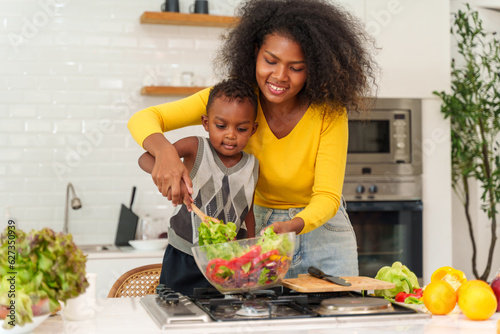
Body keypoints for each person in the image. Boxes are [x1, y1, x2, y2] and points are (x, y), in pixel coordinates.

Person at [128, 0, 377, 279]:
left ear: (315, 68)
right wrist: (165, 154)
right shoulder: (234, 103)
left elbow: (328, 196)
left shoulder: (329, 112)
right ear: (254, 51)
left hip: (322, 233)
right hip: (256, 230)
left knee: (336, 320)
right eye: (271, 61)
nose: (280, 76)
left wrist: (294, 225)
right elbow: (144, 118)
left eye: (296, 68)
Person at [137, 78, 259, 295]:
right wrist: (172, 178)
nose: (230, 134)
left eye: (241, 128)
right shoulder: (195, 146)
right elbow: (145, 160)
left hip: (229, 263)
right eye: (221, 126)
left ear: (253, 129)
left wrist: (250, 249)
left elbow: (248, 209)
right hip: (184, 256)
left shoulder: (253, 165)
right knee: (176, 314)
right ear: (206, 123)